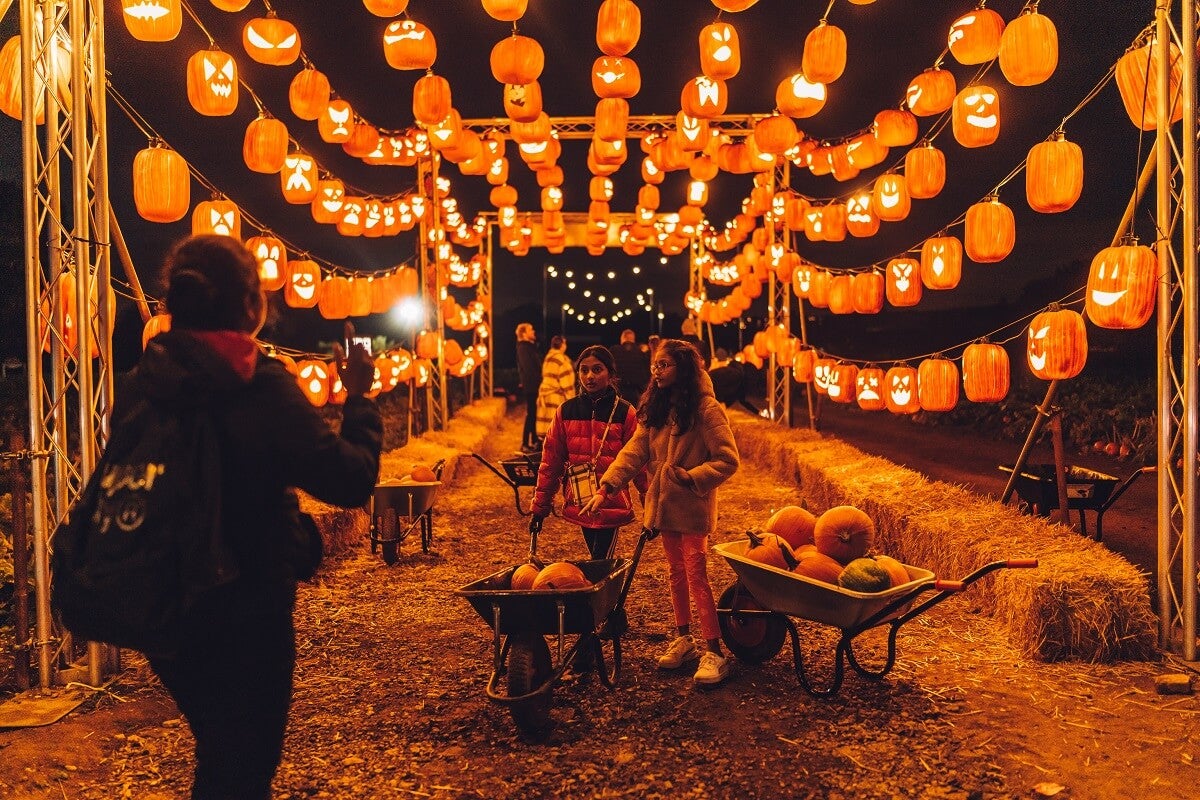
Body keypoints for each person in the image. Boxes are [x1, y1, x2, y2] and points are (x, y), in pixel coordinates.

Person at [133, 235, 382, 799]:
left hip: (162, 602)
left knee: (221, 751)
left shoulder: (148, 380)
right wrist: (361, 399)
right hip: (242, 602)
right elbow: (348, 480)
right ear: (253, 307)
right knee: (242, 762)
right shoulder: (256, 381)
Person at [581, 339, 739, 686]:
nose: (657, 370)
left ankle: (715, 651)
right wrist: (607, 487)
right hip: (664, 508)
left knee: (697, 572)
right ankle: (685, 639)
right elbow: (633, 451)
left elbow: (728, 460)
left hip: (692, 506)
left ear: (683, 369)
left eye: (664, 365)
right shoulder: (655, 408)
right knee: (675, 573)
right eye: (656, 365)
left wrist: (692, 477)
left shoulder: (706, 410)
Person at [529, 345, 648, 561]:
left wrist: (649, 500)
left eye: (597, 369)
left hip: (610, 500)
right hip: (581, 499)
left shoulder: (624, 412)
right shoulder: (566, 411)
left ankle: (601, 591)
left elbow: (639, 460)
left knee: (600, 560)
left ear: (610, 374)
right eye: (584, 370)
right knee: (597, 559)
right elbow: (551, 461)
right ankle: (601, 592)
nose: (589, 376)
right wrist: (540, 506)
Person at [535, 335, 575, 439]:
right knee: (555, 429)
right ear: (562, 345)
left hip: (545, 393)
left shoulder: (548, 357)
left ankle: (543, 450)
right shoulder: (561, 359)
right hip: (555, 396)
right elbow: (566, 380)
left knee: (546, 428)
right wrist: (571, 397)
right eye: (565, 343)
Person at [709, 348, 761, 415]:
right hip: (706, 386)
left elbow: (742, 401)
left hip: (712, 393)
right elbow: (716, 381)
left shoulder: (739, 385)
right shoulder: (734, 374)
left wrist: (758, 412)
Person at [515, 322, 541, 452]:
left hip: (533, 385)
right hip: (531, 386)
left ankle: (534, 440)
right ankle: (525, 443)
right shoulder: (523, 348)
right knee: (531, 413)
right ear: (524, 333)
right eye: (531, 330)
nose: (534, 331)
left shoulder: (529, 347)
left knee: (533, 413)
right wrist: (538, 382)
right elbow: (529, 369)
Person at [609, 328, 651, 404]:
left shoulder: (613, 350)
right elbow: (647, 373)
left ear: (622, 338)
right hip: (636, 392)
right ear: (633, 339)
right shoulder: (641, 352)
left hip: (617, 391)